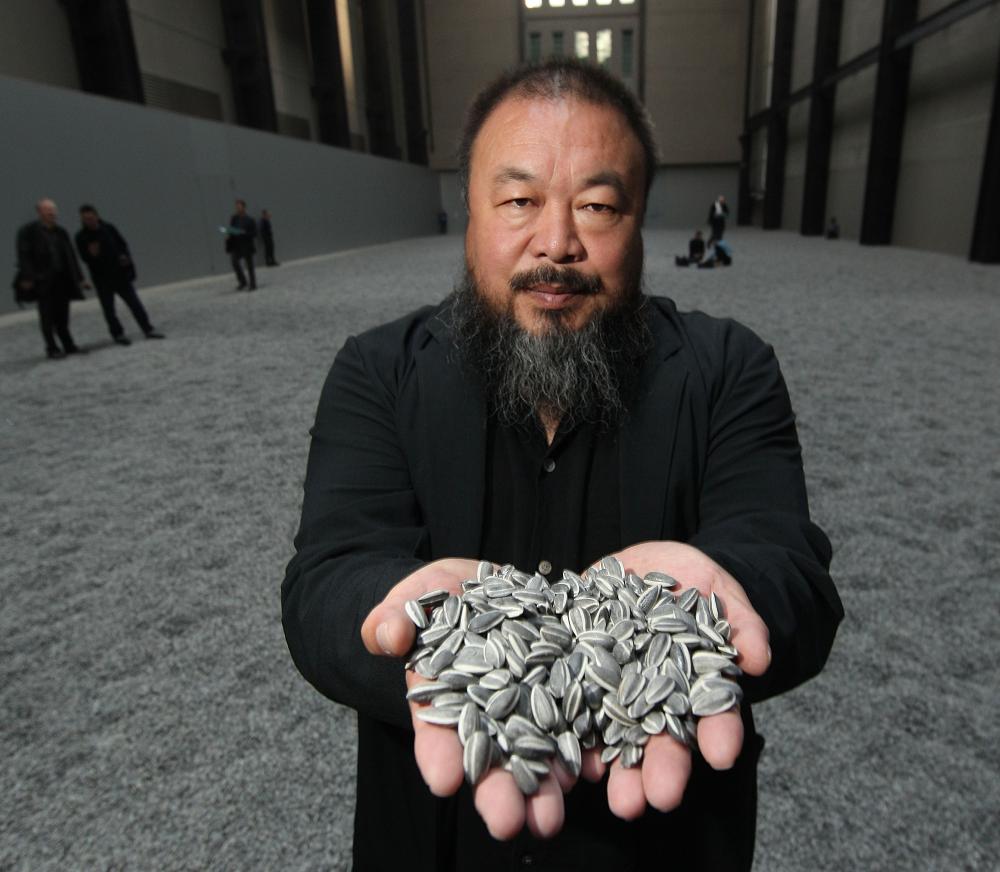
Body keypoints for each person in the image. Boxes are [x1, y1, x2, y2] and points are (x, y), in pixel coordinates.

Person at [282, 58, 842, 871]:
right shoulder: (379, 370)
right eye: (518, 202)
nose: (557, 243)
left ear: (639, 220)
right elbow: (325, 581)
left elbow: (789, 569)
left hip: (666, 840)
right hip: (436, 840)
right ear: (468, 217)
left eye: (598, 206)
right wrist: (413, 628)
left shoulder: (730, 368)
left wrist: (715, 605)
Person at [74, 205, 164, 345]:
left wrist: (125, 258)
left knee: (135, 304)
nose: (89, 221)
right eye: (85, 219)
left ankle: (147, 328)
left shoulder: (108, 228)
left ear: (96, 216)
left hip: (120, 275)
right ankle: (118, 334)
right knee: (109, 309)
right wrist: (91, 255)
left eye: (90, 217)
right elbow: (84, 257)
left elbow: (122, 245)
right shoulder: (81, 237)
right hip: (101, 278)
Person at [15, 198, 90, 359]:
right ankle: (52, 348)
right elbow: (24, 256)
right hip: (43, 281)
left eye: (53, 209)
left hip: (62, 280)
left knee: (63, 315)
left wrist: (80, 278)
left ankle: (68, 345)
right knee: (47, 317)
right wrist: (29, 277)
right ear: (39, 212)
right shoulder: (28, 232)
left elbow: (71, 256)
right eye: (47, 210)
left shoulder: (61, 232)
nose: (51, 213)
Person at [226, 199, 257, 290]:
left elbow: (254, 233)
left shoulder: (250, 220)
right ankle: (243, 281)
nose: (238, 209)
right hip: (237, 246)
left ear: (244, 207)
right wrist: (229, 234)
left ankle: (253, 284)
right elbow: (231, 229)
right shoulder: (234, 218)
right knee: (234, 262)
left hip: (247, 245)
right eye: (237, 207)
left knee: (249, 266)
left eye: (239, 207)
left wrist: (243, 233)